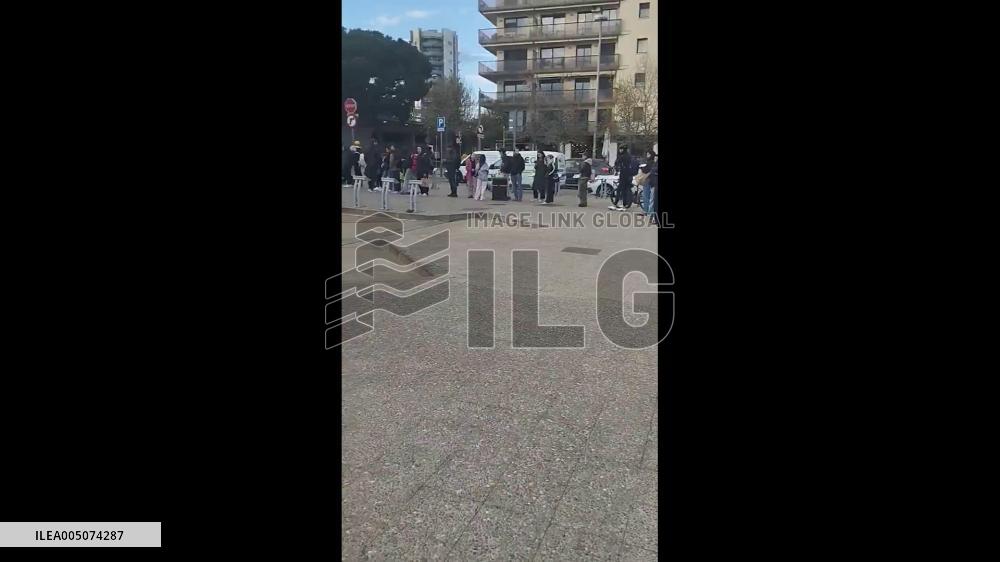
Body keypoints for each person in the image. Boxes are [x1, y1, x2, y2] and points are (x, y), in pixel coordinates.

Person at [611, 145, 635, 211]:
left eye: (620, 149)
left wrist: (616, 168)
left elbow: (617, 163)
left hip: (623, 175)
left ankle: (615, 204)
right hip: (629, 176)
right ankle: (624, 205)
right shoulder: (629, 156)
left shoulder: (622, 156)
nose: (620, 150)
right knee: (625, 191)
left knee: (619, 190)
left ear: (623, 149)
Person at [643, 147, 658, 217]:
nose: (647, 155)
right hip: (652, 181)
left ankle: (648, 212)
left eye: (648, 154)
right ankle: (649, 211)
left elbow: (647, 170)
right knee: (650, 197)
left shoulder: (650, 162)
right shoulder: (653, 162)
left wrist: (643, 168)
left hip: (650, 180)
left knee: (647, 196)